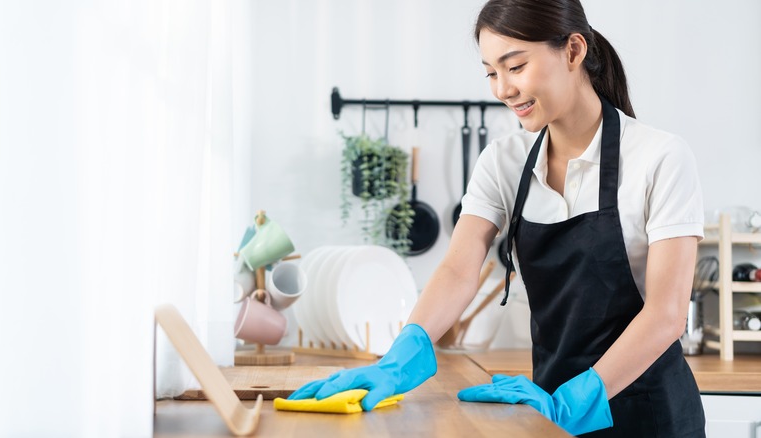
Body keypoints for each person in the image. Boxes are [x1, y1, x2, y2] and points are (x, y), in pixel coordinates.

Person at [290, 0, 706, 436]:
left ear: (573, 50)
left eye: (516, 66)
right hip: (545, 411)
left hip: (649, 415)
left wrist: (574, 401)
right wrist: (399, 358)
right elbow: (457, 268)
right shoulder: (504, 162)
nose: (502, 89)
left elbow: (666, 313)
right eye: (491, 72)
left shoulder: (659, 158)